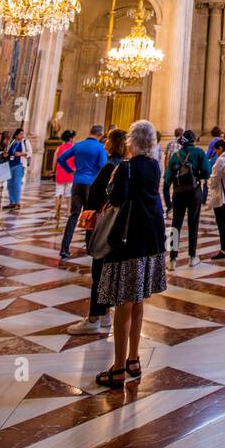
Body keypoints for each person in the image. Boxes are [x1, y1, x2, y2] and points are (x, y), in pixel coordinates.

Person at [95, 120, 167, 389]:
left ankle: (117, 368)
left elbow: (116, 199)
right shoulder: (155, 165)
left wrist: (113, 183)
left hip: (129, 238)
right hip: (152, 238)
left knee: (123, 303)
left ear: (132, 141)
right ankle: (134, 358)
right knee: (138, 300)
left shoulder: (126, 167)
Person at [68, 128, 127, 336]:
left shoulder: (109, 167)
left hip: (102, 225)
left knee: (99, 271)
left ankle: (93, 318)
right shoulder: (126, 166)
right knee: (109, 270)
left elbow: (93, 198)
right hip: (118, 228)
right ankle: (105, 314)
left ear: (111, 144)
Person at [57, 125, 107, 260]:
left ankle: (64, 249)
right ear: (100, 134)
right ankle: (89, 247)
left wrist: (70, 170)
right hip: (91, 184)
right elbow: (103, 167)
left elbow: (60, 159)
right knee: (90, 215)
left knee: (74, 215)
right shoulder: (100, 148)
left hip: (77, 182)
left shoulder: (78, 145)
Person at [163, 129, 211, 267]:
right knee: (193, 223)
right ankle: (192, 257)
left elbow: (167, 178)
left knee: (175, 225)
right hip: (194, 192)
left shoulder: (176, 155)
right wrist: (197, 177)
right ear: (193, 140)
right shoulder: (199, 152)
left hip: (178, 192)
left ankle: (172, 259)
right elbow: (207, 172)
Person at [5, 127, 27, 210]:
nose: (22, 136)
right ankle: (11, 202)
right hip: (10, 164)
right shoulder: (12, 142)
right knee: (10, 184)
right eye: (21, 134)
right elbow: (9, 151)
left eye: (23, 134)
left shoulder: (24, 142)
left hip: (19, 164)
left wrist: (21, 154)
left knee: (17, 184)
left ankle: (17, 202)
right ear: (16, 135)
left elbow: (29, 152)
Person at [54, 128, 76, 203]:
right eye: (73, 137)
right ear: (70, 139)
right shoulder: (74, 149)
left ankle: (57, 212)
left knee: (58, 193)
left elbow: (55, 161)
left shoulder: (59, 148)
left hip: (60, 172)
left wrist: (53, 170)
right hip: (71, 173)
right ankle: (68, 212)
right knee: (69, 194)